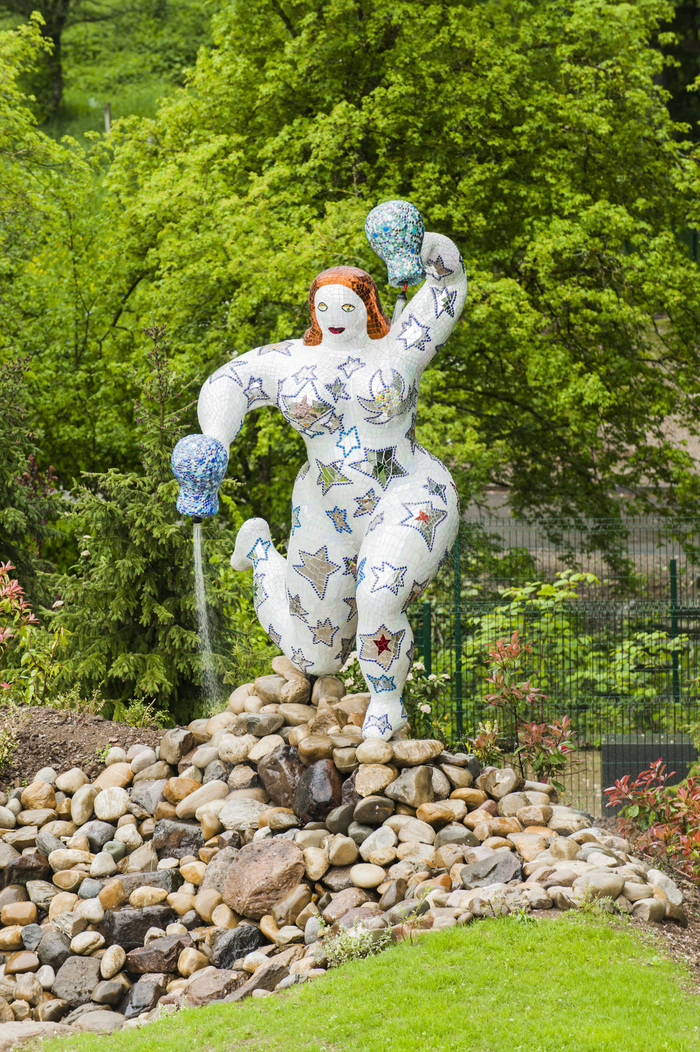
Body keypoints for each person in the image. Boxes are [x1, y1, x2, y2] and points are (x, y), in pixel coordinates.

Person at [173, 203, 467, 740]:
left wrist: (419, 248)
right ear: (313, 309)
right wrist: (215, 438)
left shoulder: (400, 346)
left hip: (407, 491)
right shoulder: (289, 362)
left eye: (348, 305)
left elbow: (447, 284)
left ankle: (387, 702)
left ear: (367, 307)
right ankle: (260, 554)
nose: (335, 314)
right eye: (324, 305)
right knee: (317, 656)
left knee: (380, 593)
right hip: (324, 507)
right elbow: (227, 382)